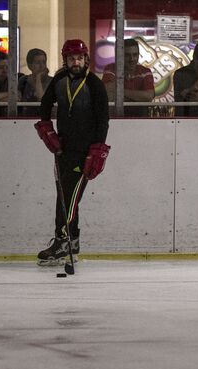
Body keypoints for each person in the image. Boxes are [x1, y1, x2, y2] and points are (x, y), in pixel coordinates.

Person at [34, 39, 110, 266]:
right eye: (71, 58)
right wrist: (47, 129)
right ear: (65, 60)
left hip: (84, 151)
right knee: (64, 195)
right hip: (63, 149)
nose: (75, 62)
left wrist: (97, 150)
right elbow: (45, 105)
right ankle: (72, 241)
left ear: (86, 59)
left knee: (69, 198)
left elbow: (103, 120)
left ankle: (62, 241)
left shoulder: (94, 84)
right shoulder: (59, 80)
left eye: (79, 58)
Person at [102, 38, 155, 117]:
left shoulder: (145, 71)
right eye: (127, 55)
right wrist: (138, 98)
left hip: (140, 119)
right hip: (116, 118)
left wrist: (119, 92)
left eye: (135, 54)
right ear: (119, 55)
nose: (132, 59)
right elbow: (108, 94)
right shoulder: (111, 69)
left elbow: (148, 96)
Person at [18, 48, 52, 116]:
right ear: (30, 65)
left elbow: (42, 100)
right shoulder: (23, 80)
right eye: (37, 62)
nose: (42, 66)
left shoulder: (52, 81)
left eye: (44, 62)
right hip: (25, 120)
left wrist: (38, 78)